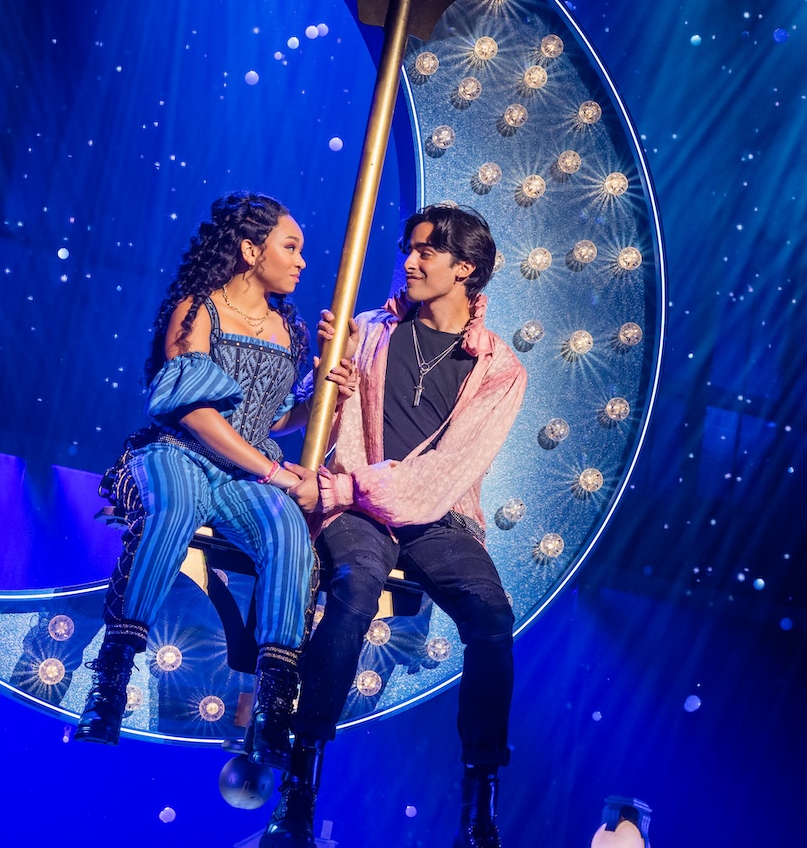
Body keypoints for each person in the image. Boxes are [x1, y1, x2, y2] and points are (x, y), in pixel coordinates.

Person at [261, 204, 527, 848]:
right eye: (409, 248)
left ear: (465, 268)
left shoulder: (500, 370)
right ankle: (300, 785)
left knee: (493, 619)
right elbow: (310, 421)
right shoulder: (370, 331)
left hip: (434, 514)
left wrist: (341, 487)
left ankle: (479, 804)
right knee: (353, 589)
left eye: (426, 252)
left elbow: (443, 474)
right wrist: (327, 381)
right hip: (356, 510)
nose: (409, 262)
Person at [74, 191, 350, 771]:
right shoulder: (197, 310)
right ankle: (111, 681)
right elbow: (197, 414)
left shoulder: (290, 329)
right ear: (251, 250)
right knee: (175, 509)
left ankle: (274, 709)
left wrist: (324, 394)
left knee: (288, 533)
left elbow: (272, 417)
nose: (302, 261)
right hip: (182, 451)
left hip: (244, 469)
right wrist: (274, 470)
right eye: (290, 247)